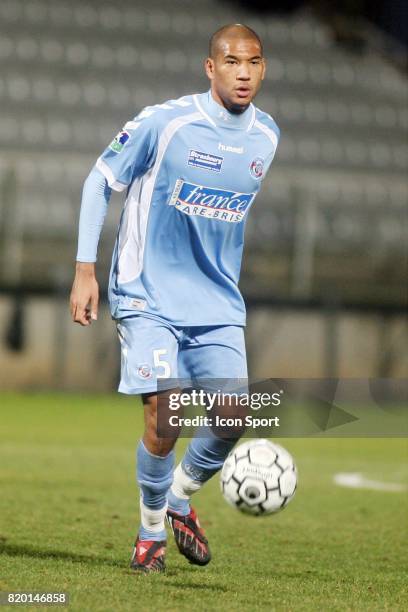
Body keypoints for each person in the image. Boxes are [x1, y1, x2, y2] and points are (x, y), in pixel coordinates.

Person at [70, 23, 280, 573]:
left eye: (252, 62)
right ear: (210, 68)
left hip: (215, 302)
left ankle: (180, 497)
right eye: (231, 62)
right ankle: (149, 537)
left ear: (263, 69)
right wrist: (85, 270)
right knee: (165, 420)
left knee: (234, 414)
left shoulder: (267, 137)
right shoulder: (165, 122)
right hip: (147, 293)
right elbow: (99, 181)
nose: (242, 72)